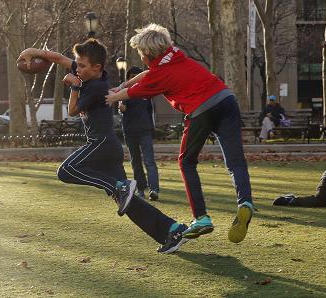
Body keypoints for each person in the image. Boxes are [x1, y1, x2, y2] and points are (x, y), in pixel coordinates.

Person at [17, 39, 189, 254]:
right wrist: (31, 51)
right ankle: (171, 229)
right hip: (108, 148)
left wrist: (75, 87)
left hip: (101, 144)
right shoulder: (89, 74)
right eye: (77, 65)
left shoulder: (96, 87)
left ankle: (118, 186)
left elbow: (71, 110)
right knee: (128, 203)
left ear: (96, 68)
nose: (76, 68)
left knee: (66, 171)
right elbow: (59, 59)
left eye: (81, 66)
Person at [105, 24, 254, 244]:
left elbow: (137, 91)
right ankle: (245, 203)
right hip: (226, 99)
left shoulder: (160, 75)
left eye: (141, 53)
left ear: (146, 53)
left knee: (186, 162)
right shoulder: (174, 55)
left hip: (201, 109)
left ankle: (201, 218)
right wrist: (122, 86)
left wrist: (113, 97)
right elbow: (146, 75)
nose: (141, 57)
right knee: (235, 161)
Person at [118, 66, 160, 201]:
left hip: (145, 131)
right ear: (129, 79)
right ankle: (140, 189)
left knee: (149, 161)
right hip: (130, 131)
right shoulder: (125, 92)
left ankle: (154, 190)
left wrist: (152, 129)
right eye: (132, 77)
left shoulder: (147, 93)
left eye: (138, 75)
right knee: (136, 162)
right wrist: (121, 108)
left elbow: (150, 112)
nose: (135, 79)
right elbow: (122, 108)